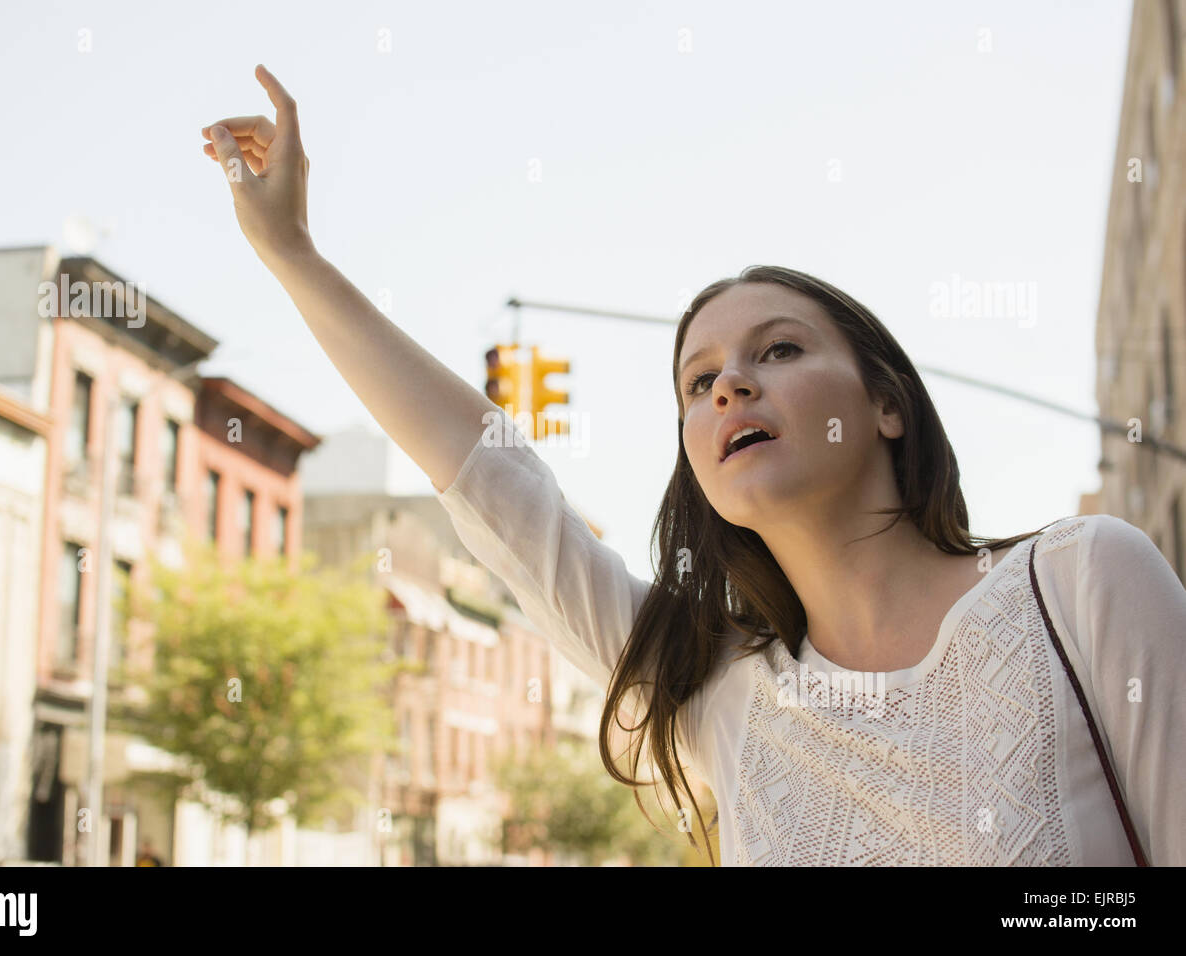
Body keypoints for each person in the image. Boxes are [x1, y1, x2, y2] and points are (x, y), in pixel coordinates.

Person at [200, 65, 1186, 866]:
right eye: (697, 380)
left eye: (780, 350)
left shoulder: (1082, 581)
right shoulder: (716, 690)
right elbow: (492, 481)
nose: (728, 388)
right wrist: (291, 253)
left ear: (885, 403)